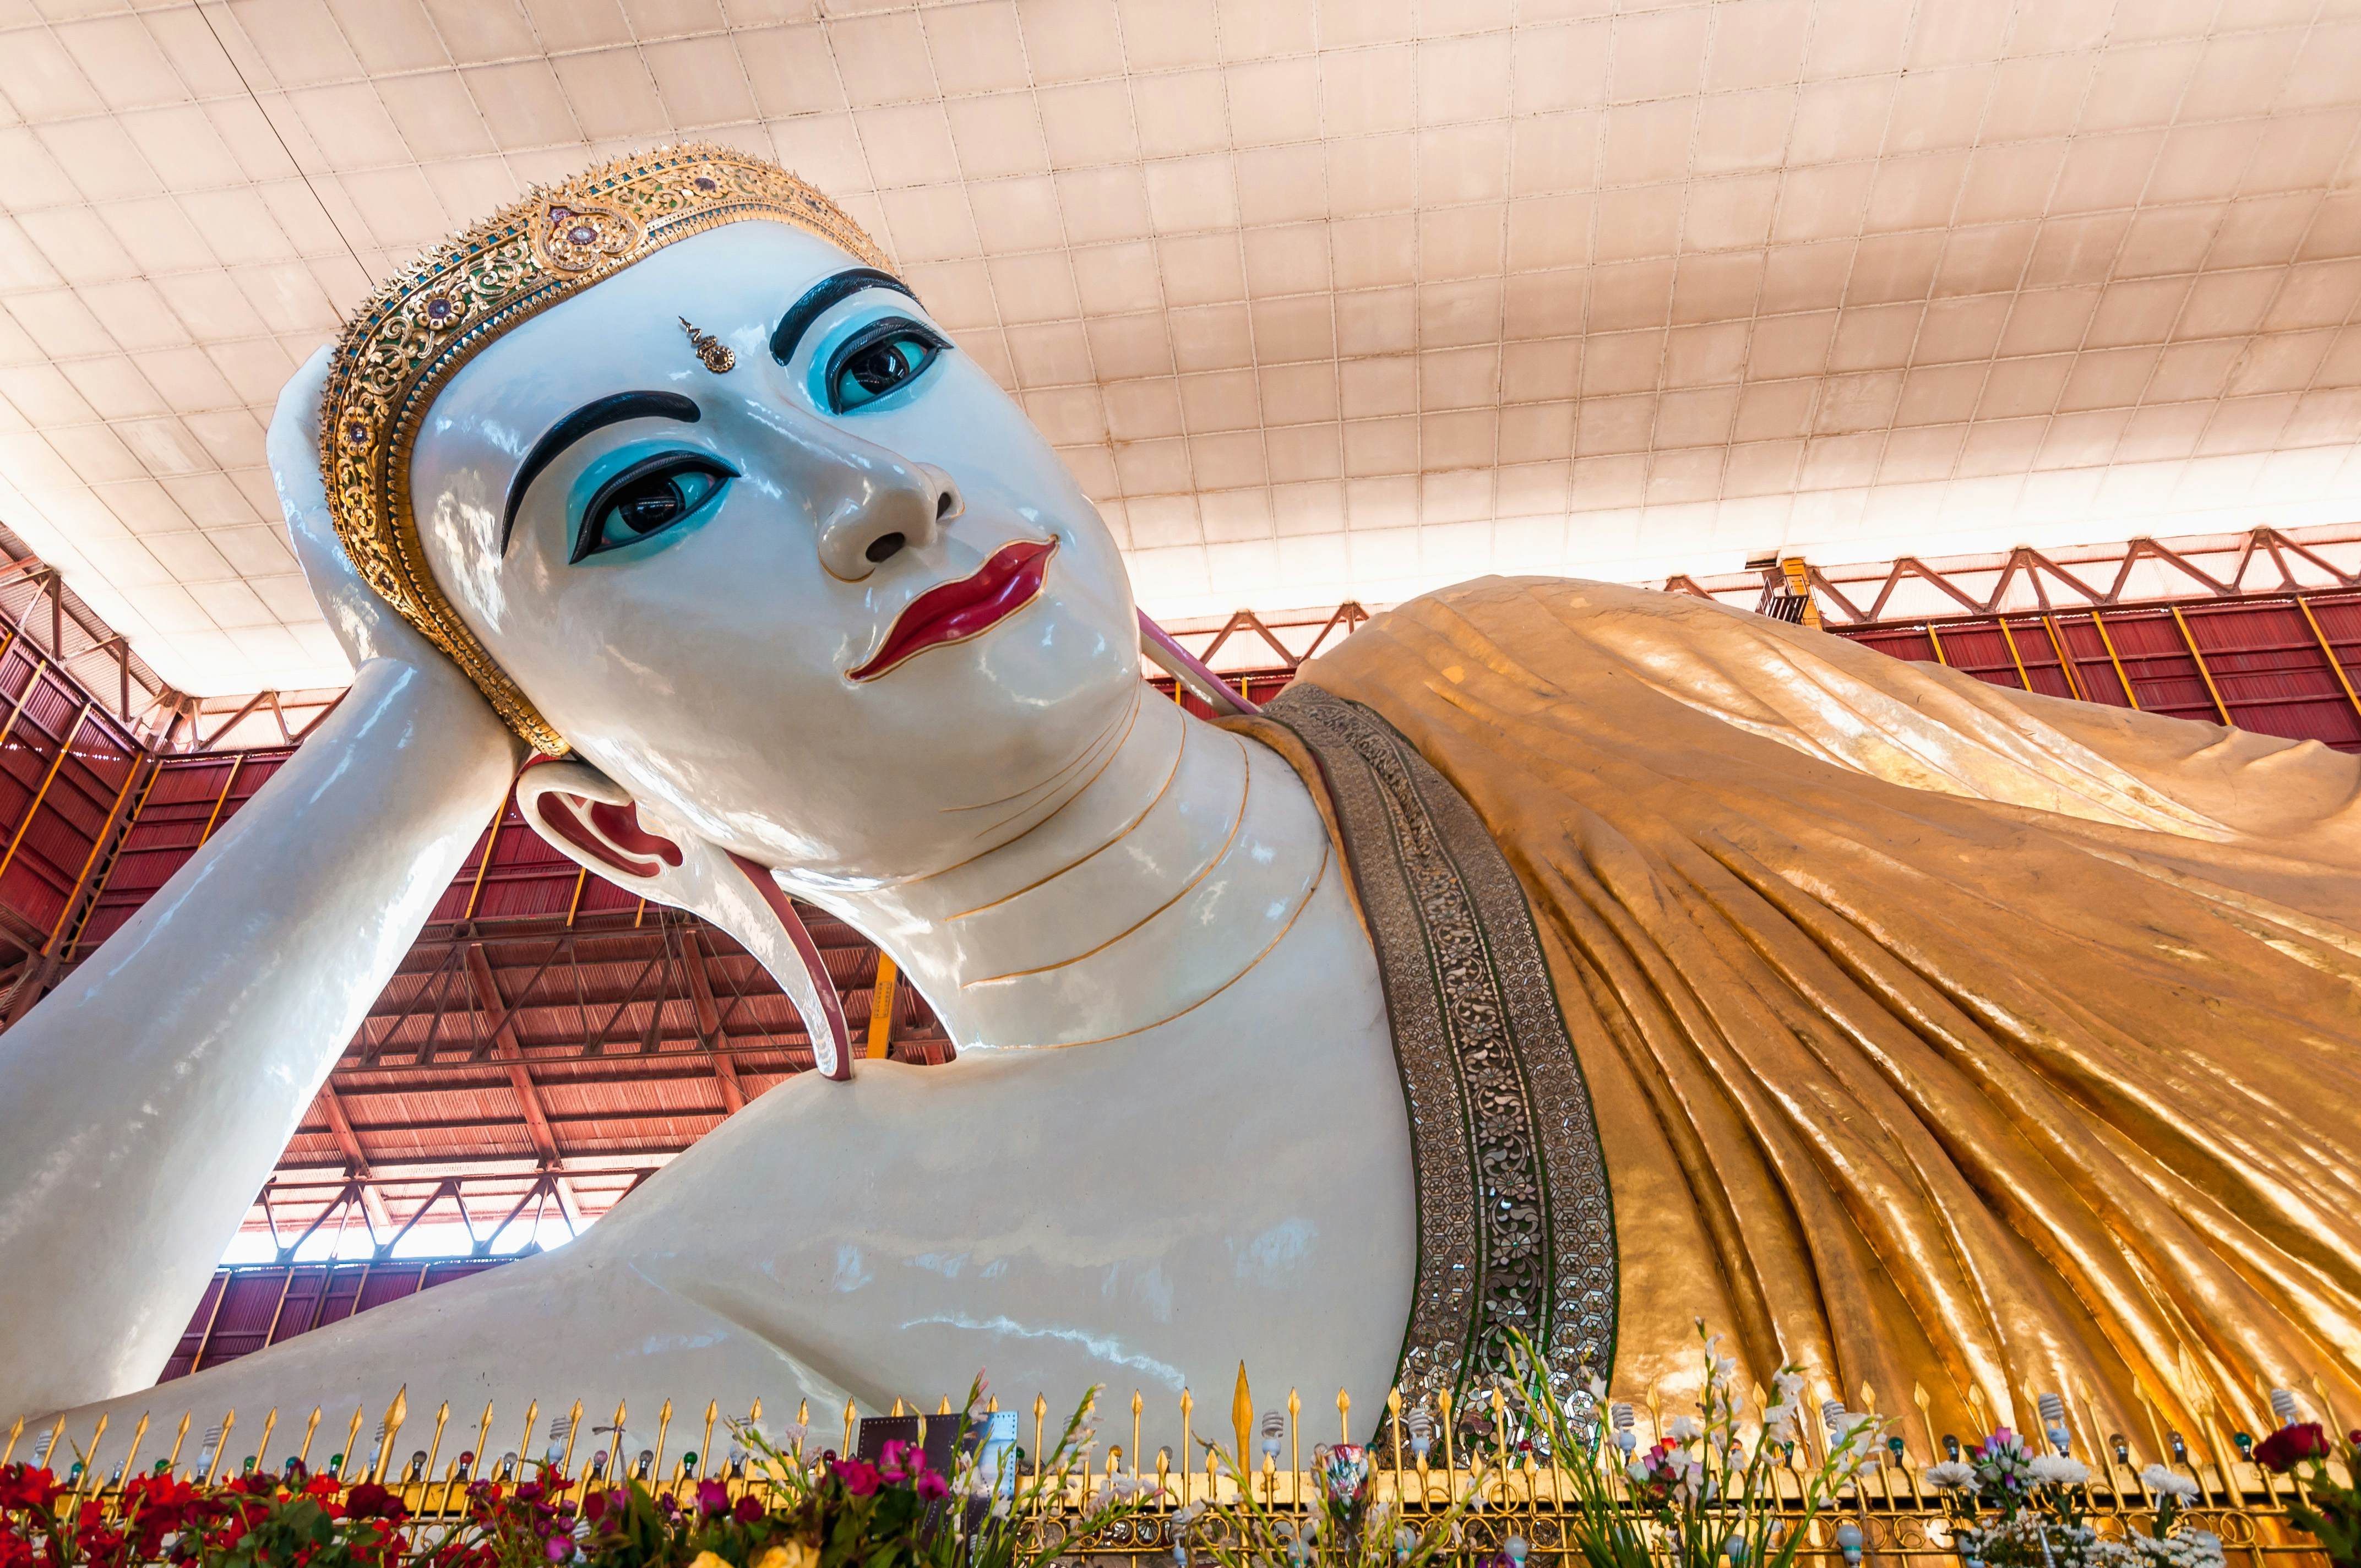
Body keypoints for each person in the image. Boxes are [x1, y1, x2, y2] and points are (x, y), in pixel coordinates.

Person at [5, 148, 2355, 1457]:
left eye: (880, 363)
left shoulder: (1544, 677)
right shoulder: (816, 1258)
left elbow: (2263, 873)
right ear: (600, 803)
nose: (870, 490)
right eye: (642, 503)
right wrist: (417, 740)